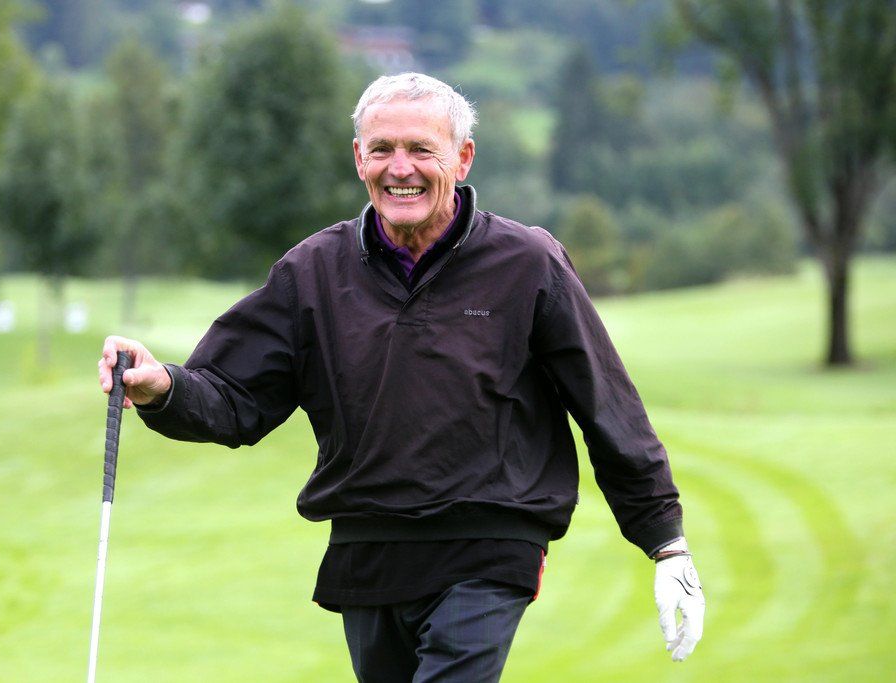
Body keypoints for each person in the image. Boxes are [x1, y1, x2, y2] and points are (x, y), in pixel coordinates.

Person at [99, 72, 705, 682]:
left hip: (489, 544)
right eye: (382, 149)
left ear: (462, 159)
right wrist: (161, 386)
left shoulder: (528, 264)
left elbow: (605, 403)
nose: (400, 168)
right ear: (358, 158)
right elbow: (234, 399)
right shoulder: (311, 272)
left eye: (421, 149)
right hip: (366, 552)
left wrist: (665, 541)